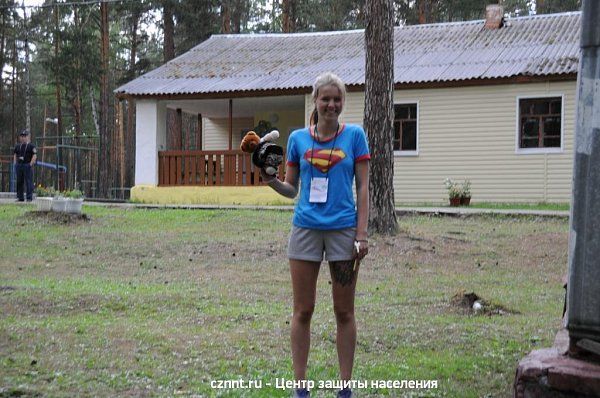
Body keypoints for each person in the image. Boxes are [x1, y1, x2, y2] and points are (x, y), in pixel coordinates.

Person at [263, 72, 370, 398]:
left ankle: (345, 386)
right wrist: (270, 180)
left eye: (336, 99)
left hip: (342, 232)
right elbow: (291, 188)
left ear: (342, 103)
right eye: (325, 99)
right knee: (303, 310)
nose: (331, 105)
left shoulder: (355, 136)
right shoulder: (297, 139)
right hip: (306, 230)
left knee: (344, 311)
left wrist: (362, 233)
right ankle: (300, 386)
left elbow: (364, 187)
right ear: (315, 101)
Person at [13, 129, 37, 202]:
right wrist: (15, 163)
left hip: (27, 165)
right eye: (22, 136)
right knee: (19, 181)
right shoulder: (17, 146)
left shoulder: (31, 146)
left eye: (24, 136)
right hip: (19, 165)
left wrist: (30, 164)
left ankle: (29, 198)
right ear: (20, 137)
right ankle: (20, 197)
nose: (23, 138)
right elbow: (15, 154)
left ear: (28, 137)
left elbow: (34, 155)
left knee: (28, 181)